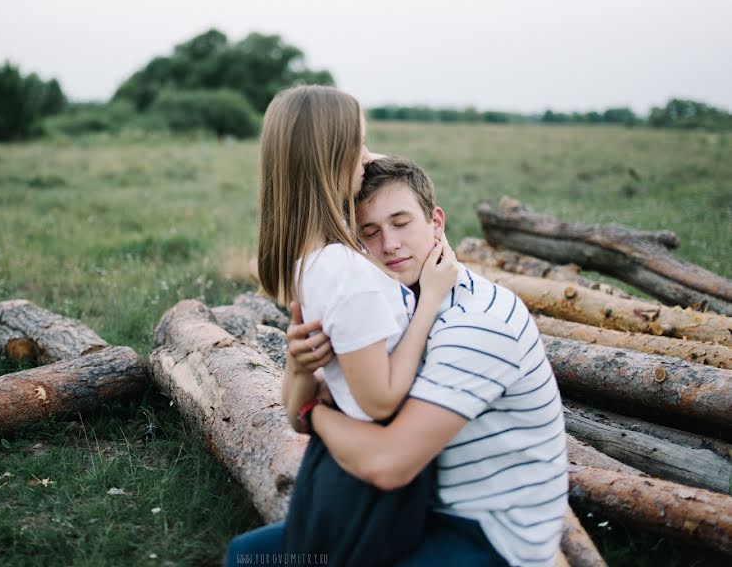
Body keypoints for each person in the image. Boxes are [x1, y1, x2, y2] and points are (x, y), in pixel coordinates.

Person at [229, 156, 568, 566]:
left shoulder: (478, 323)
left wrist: (312, 412)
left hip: (489, 535)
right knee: (248, 555)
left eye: (402, 222)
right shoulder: (390, 303)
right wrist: (300, 367)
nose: (389, 244)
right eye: (369, 233)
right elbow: (300, 412)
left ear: (436, 223)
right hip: (412, 509)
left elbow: (386, 464)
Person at [246, 85, 461, 566]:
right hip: (368, 482)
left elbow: (365, 172)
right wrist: (429, 303)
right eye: (359, 145)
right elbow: (379, 398)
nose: (369, 157)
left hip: (342, 462)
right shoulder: (350, 275)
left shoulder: (313, 259)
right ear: (333, 158)